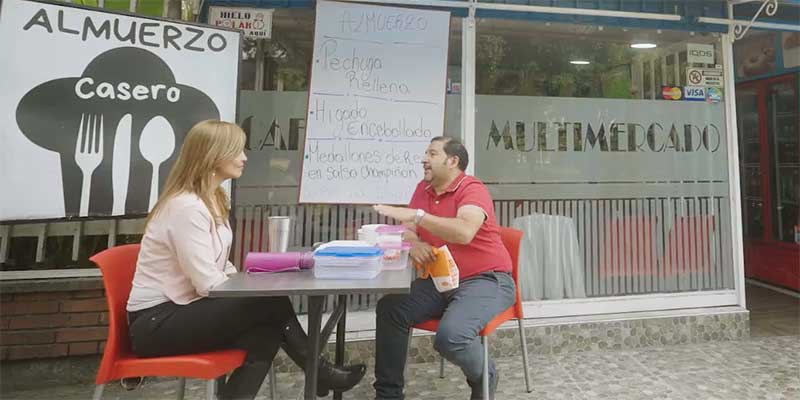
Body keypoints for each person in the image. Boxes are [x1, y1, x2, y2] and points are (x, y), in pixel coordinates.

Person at [126, 120, 366, 400]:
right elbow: (207, 283)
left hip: (184, 310)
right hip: (157, 322)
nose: (245, 157)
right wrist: (251, 288)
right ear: (213, 155)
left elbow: (221, 266)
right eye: (237, 150)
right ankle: (319, 372)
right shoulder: (186, 207)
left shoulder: (213, 199)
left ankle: (319, 374)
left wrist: (246, 281)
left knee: (265, 334)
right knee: (270, 301)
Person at [372, 136, 516, 400]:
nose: (424, 159)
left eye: (432, 154)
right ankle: (388, 395)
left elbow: (463, 232)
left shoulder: (472, 189)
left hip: (487, 280)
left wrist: (418, 217)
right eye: (425, 153)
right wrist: (414, 242)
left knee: (451, 337)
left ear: (453, 161)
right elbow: (408, 229)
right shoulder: (423, 189)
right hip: (441, 281)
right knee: (391, 309)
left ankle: (486, 374)